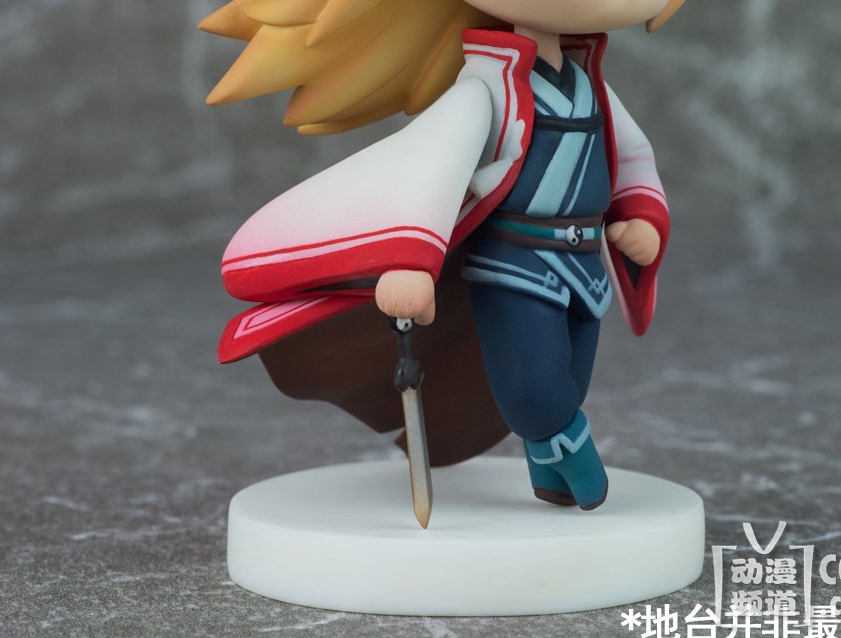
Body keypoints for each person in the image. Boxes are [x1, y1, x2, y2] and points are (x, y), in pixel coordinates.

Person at [202, 0, 687, 510]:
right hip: (515, 265)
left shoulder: (589, 82)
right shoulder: (486, 87)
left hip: (585, 268)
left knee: (569, 381)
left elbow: (631, 155)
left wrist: (641, 215)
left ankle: (547, 468)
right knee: (535, 390)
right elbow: (435, 169)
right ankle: (575, 461)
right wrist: (413, 260)